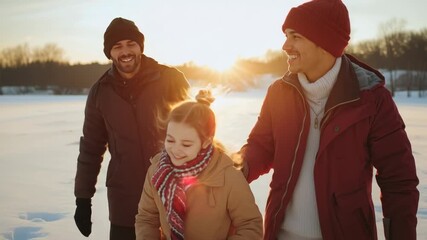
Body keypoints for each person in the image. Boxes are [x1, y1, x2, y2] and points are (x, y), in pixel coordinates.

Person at [235, 0, 419, 239]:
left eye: (295, 36)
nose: (285, 45)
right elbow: (261, 145)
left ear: (324, 42)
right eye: (285, 36)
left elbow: (399, 180)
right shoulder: (279, 93)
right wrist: (240, 167)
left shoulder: (371, 100)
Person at [73, 17, 190, 240]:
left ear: (140, 46)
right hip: (126, 203)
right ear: (109, 53)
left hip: (174, 194)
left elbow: (198, 132)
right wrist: (83, 199)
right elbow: (90, 148)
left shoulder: (170, 79)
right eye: (117, 46)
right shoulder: (100, 93)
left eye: (130, 44)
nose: (125, 51)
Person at [135, 90, 263, 240]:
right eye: (170, 140)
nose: (175, 149)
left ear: (206, 141)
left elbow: (250, 225)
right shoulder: (157, 172)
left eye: (186, 144)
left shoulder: (228, 177)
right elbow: (147, 218)